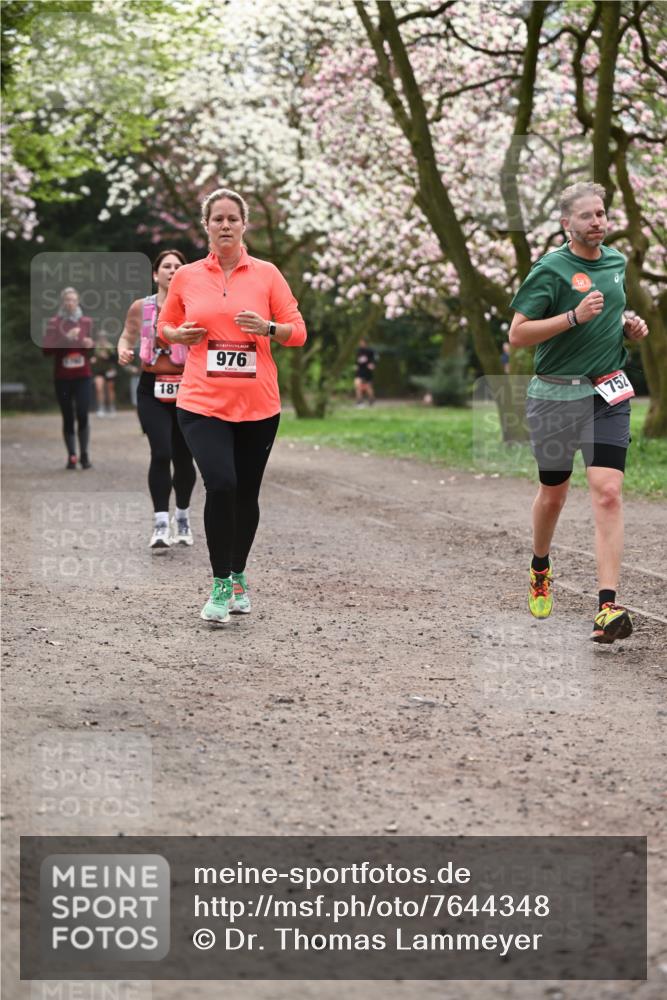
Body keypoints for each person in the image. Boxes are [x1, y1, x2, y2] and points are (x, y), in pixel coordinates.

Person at [158, 187, 307, 623]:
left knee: (246, 493)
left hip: (258, 404)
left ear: (244, 226)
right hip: (201, 401)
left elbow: (298, 332)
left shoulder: (267, 275)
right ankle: (220, 582)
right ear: (206, 226)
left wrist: (269, 326)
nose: (225, 225)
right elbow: (165, 325)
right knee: (220, 483)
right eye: (217, 219)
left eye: (232, 219)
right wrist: (176, 336)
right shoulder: (186, 276)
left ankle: (239, 573)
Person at [509, 181, 648, 644]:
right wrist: (573, 318)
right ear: (566, 223)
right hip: (553, 394)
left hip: (607, 392)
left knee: (607, 491)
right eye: (587, 215)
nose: (598, 221)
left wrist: (629, 326)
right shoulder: (550, 269)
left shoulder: (615, 262)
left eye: (602, 213)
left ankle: (607, 606)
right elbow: (519, 334)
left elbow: (614, 314)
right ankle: (540, 565)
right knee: (554, 493)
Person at [117, 250, 197, 549]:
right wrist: (122, 349)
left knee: (184, 456)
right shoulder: (141, 307)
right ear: (155, 274)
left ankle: (183, 516)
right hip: (152, 387)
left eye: (179, 266)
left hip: (187, 386)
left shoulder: (194, 306)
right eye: (167, 266)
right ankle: (161, 522)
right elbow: (127, 336)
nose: (173, 270)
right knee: (161, 452)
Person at [43, 286, 94, 469]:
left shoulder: (86, 322)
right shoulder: (54, 323)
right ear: (62, 303)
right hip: (63, 377)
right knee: (68, 415)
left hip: (83, 375)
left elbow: (91, 348)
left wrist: (90, 344)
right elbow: (46, 350)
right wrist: (65, 339)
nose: (70, 303)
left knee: (82, 413)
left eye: (73, 300)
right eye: (67, 300)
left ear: (78, 301)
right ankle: (72, 455)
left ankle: (85, 455)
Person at [91, 331, 118, 416]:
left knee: (110, 389)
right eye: (100, 337)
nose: (102, 339)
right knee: (99, 388)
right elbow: (91, 356)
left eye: (103, 337)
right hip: (99, 371)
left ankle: (111, 407)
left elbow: (115, 359)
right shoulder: (95, 347)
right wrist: (93, 359)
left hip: (109, 370)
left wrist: (107, 357)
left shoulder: (110, 347)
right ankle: (101, 407)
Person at [354, 337, 376, 406]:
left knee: (368, 387)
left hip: (367, 371)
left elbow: (374, 359)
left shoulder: (370, 350)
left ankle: (371, 400)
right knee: (357, 384)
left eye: (362, 342)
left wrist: (372, 365)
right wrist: (356, 366)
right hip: (360, 370)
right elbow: (357, 360)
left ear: (365, 343)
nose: (361, 343)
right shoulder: (358, 350)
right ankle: (359, 402)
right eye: (360, 342)